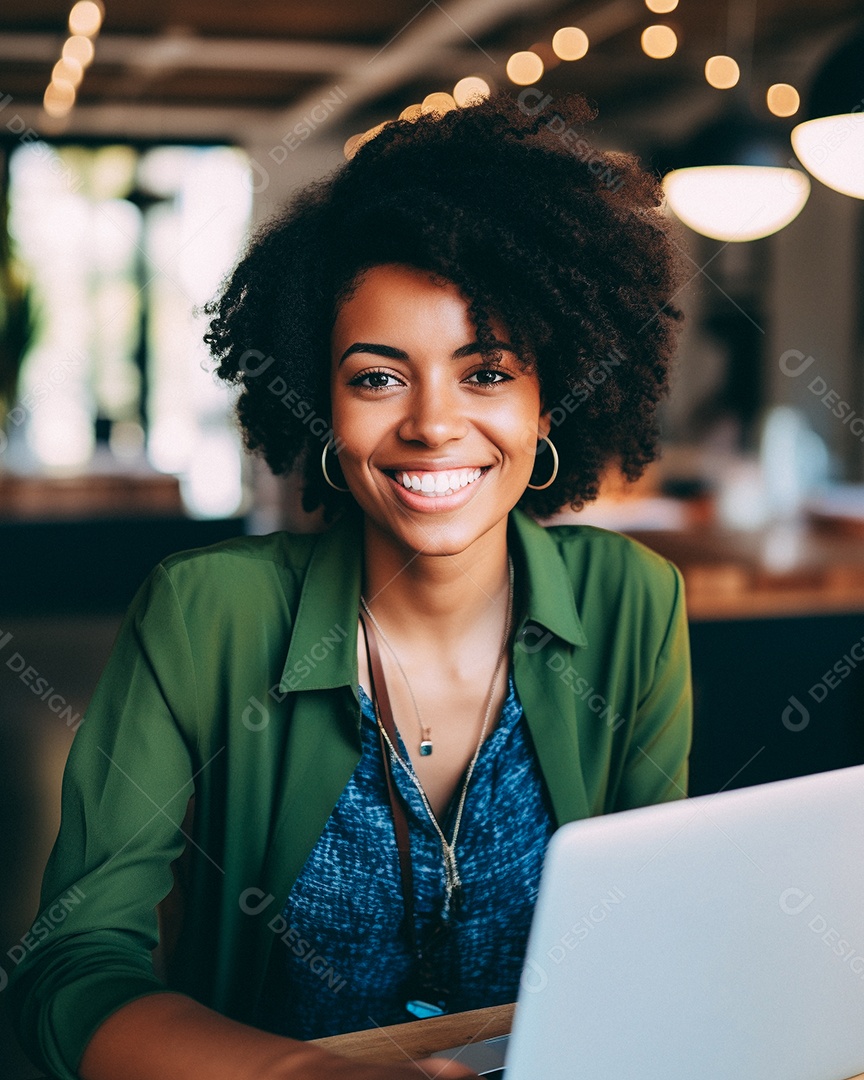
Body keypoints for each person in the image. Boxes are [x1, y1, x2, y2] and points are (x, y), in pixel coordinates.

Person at [8, 89, 692, 1080]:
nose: (432, 424)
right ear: (321, 404)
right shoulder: (207, 614)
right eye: (378, 377)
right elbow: (67, 975)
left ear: (555, 398)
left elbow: (655, 936)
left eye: (488, 372)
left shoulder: (635, 601)